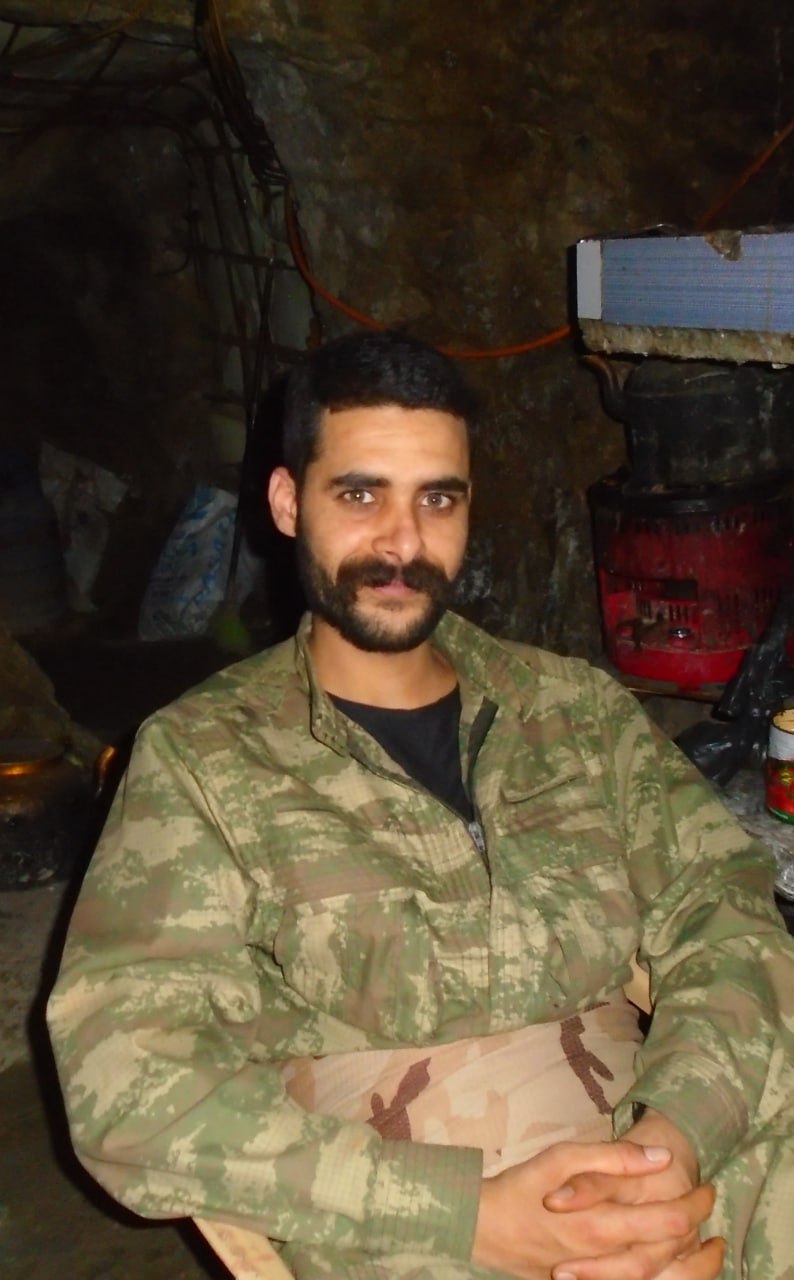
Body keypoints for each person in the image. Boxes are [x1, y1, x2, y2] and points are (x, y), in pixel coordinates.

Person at [48, 331, 794, 1280]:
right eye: (361, 495)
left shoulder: (572, 710)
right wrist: (462, 1214)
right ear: (288, 503)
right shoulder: (204, 760)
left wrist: (674, 1145)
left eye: (437, 499)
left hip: (657, 1153)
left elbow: (729, 914)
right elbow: (122, 1078)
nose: (403, 544)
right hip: (396, 1222)